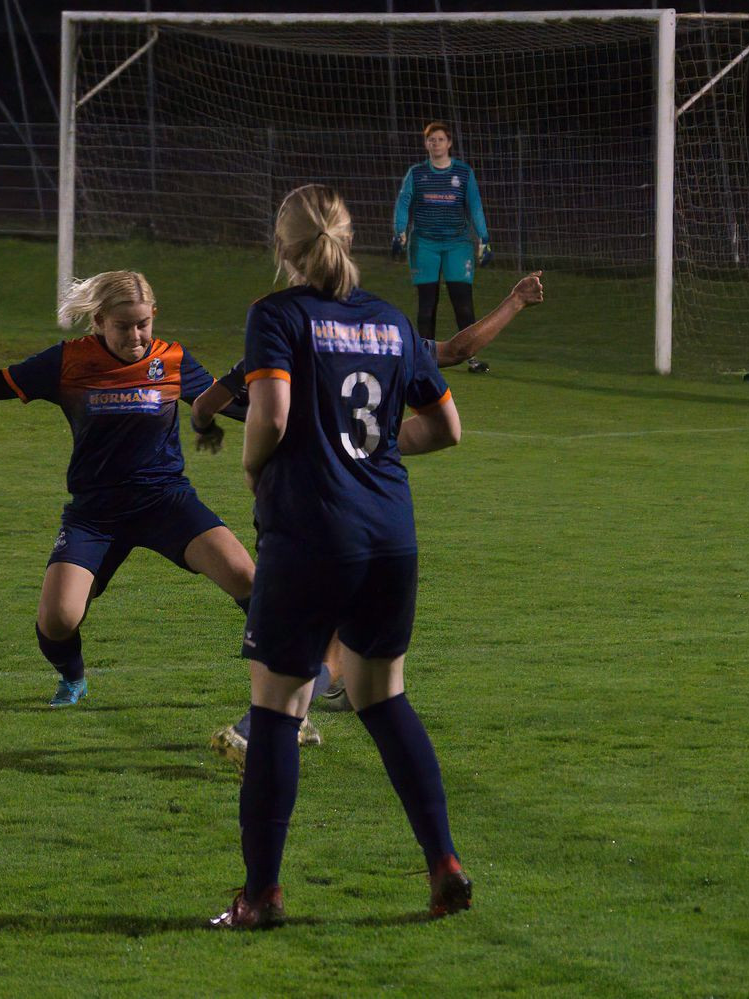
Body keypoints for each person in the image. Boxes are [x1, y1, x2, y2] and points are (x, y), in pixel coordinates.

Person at [211, 184, 470, 929]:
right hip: (390, 535)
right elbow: (446, 427)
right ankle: (444, 863)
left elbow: (271, 416)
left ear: (283, 247)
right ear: (348, 239)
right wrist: (370, 450)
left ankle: (260, 895)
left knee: (277, 709)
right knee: (383, 698)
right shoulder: (390, 320)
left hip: (311, 534)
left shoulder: (277, 314)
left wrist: (254, 468)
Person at [195, 269, 545, 768]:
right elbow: (455, 356)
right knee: (352, 654)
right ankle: (289, 718)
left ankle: (273, 724)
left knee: (301, 639)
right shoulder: (385, 329)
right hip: (375, 511)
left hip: (296, 507)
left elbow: (210, 404)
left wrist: (207, 427)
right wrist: (514, 303)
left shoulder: (277, 334)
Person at [0, 270, 257, 707]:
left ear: (154, 315)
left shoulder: (172, 359)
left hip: (165, 502)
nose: (136, 335)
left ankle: (289, 679)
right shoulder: (68, 361)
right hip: (95, 514)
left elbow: (233, 406)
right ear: (99, 321)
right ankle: (73, 677)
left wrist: (289, 401)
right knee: (58, 620)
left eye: (143, 323)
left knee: (248, 579)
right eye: (123, 326)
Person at [392, 121, 493, 373]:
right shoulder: (416, 173)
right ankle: (425, 359)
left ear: (449, 143)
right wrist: (399, 231)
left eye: (440, 139)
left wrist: (484, 238)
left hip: (457, 245)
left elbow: (475, 206)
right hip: (424, 245)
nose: (435, 143)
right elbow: (403, 202)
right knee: (427, 304)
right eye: (431, 139)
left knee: (463, 303)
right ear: (426, 144)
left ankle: (472, 358)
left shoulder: (463, 173)